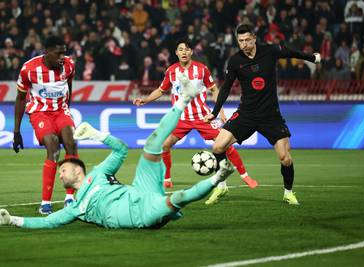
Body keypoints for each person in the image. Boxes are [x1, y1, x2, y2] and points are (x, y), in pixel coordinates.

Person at [0, 72, 235, 229]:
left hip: (139, 189)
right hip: (139, 215)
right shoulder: (76, 208)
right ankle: (218, 177)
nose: (60, 173)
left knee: (152, 144)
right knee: (179, 198)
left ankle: (185, 98)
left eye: (63, 169)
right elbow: (49, 222)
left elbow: (122, 151)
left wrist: (97, 135)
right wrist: (13, 220)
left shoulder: (99, 172)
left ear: (78, 169)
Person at [204, 23, 321, 205]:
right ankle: (222, 187)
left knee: (285, 158)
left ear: (254, 38)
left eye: (247, 40)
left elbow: (290, 52)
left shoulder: (271, 51)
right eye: (240, 41)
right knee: (218, 147)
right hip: (246, 114)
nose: (244, 44)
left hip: (270, 115)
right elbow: (226, 87)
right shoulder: (235, 61)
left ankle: (288, 192)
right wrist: (215, 112)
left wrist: (311, 58)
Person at [133, 38, 257, 205]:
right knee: (164, 145)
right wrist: (145, 100)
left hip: (202, 116)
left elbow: (214, 90)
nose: (184, 52)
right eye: (181, 49)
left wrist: (219, 112)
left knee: (225, 143)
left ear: (191, 52)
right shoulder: (171, 71)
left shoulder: (202, 69)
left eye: (187, 49)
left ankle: (244, 175)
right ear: (176, 53)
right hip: (181, 118)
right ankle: (167, 177)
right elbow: (161, 90)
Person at [13, 36, 78, 215]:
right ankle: (45, 203)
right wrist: (16, 131)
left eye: (64, 53)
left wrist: (67, 110)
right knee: (53, 146)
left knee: (71, 143)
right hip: (40, 113)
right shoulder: (28, 69)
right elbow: (20, 99)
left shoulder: (69, 65)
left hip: (61, 111)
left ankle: (70, 197)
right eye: (58, 53)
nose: (62, 57)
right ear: (47, 52)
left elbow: (69, 86)